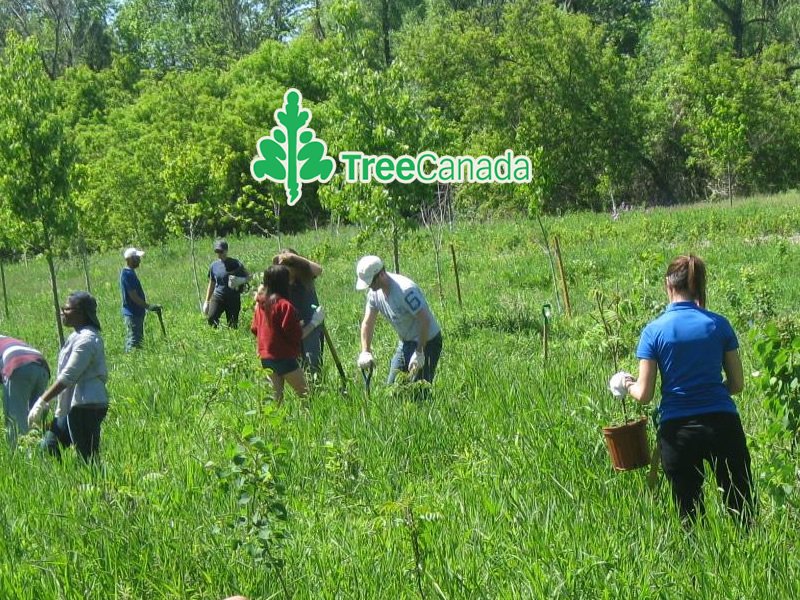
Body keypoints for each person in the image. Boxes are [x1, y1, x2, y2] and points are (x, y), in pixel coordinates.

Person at [618, 255, 754, 525]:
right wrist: (710, 392)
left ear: (668, 286)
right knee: (742, 513)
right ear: (699, 286)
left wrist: (626, 383)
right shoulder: (719, 324)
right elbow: (737, 384)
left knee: (690, 518)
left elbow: (644, 394)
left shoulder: (654, 331)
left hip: (677, 433)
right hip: (723, 426)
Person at [28, 291, 109, 463]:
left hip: (86, 406)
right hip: (71, 405)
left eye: (67, 308)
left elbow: (68, 376)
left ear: (81, 312)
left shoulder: (87, 340)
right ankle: (59, 484)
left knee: (87, 458)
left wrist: (42, 401)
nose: (62, 312)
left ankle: (95, 487)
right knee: (47, 446)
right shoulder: (76, 336)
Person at [355, 255, 443, 387]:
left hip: (427, 341)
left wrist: (419, 352)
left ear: (381, 274)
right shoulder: (373, 294)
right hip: (406, 343)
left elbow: (425, 320)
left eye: (371, 282)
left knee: (418, 390)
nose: (369, 287)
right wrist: (365, 351)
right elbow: (368, 323)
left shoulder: (406, 291)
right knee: (393, 388)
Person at [251, 265, 324, 404]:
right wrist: (315, 322)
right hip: (284, 358)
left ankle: (276, 426)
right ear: (284, 282)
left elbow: (255, 329)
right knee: (307, 397)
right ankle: (309, 423)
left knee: (275, 402)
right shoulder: (285, 306)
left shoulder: (261, 305)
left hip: (266, 358)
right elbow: (297, 335)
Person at [273, 249, 324, 375]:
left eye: (290, 265)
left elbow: (319, 270)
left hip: (312, 324)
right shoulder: (280, 282)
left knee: (313, 363)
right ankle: (304, 392)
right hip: (292, 328)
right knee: (297, 364)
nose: (287, 269)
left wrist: (293, 257)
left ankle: (315, 391)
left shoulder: (305, 277)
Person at [0, 334, 50, 447]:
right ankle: (41, 454)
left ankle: (18, 455)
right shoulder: (4, 338)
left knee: (15, 420)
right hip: (41, 364)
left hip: (16, 364)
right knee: (36, 418)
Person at [120, 247, 161, 351]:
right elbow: (133, 296)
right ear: (129, 259)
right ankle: (130, 361)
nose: (139, 260)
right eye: (136, 258)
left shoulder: (130, 273)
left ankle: (135, 360)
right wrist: (149, 306)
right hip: (132, 313)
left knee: (138, 340)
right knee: (134, 341)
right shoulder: (127, 274)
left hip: (137, 312)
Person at [204, 239, 249, 328]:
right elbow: (212, 283)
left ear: (226, 250)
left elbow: (248, 277)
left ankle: (231, 339)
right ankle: (215, 337)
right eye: (217, 251)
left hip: (233, 298)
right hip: (218, 296)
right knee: (211, 318)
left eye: (221, 251)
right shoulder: (214, 265)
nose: (219, 254)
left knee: (232, 325)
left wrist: (240, 280)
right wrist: (207, 301)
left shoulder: (236, 263)